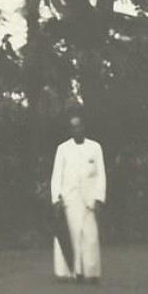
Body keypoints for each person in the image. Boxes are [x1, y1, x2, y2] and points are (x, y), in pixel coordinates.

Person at [50, 113, 106, 284]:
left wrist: (99, 198)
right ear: (70, 130)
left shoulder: (95, 147)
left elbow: (101, 175)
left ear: (84, 127)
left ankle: (92, 272)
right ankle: (75, 272)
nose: (77, 129)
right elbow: (56, 175)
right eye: (73, 127)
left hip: (89, 198)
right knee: (73, 235)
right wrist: (56, 198)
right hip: (70, 198)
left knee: (90, 235)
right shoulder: (63, 149)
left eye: (79, 126)